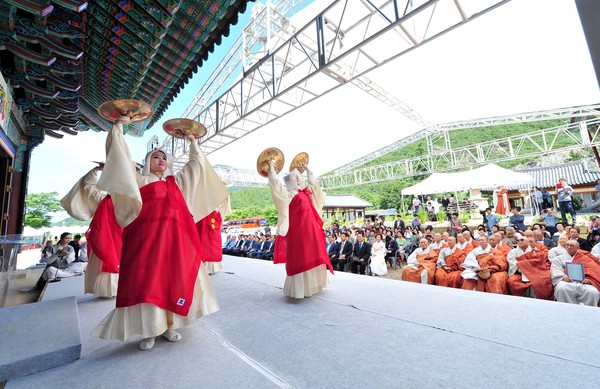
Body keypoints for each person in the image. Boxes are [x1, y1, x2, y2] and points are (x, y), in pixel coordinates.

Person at [91, 117, 228, 351]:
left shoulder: (178, 182)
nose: (161, 159)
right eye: (156, 156)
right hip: (145, 242)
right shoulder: (139, 180)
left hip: (175, 242)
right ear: (147, 162)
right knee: (147, 282)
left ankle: (169, 326)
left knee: (172, 280)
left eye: (164, 157)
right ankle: (149, 330)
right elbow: (120, 160)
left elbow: (197, 166)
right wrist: (119, 128)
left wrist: (193, 141)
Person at [268, 160, 333, 297]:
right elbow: (276, 186)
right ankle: (301, 289)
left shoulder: (305, 193)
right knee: (300, 257)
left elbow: (314, 186)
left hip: (311, 231)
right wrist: (271, 169)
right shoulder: (287, 195)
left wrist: (308, 171)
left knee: (314, 254)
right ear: (290, 181)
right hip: (297, 233)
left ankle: (316, 284)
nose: (299, 180)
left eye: (299, 178)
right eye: (296, 179)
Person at [61, 164, 122, 298]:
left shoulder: (128, 202)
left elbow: (88, 186)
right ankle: (109, 290)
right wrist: (96, 170)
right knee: (106, 259)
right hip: (106, 235)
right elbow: (88, 187)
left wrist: (96, 171)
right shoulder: (104, 200)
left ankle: (114, 289)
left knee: (114, 259)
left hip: (119, 236)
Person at [550, 240, 600, 306]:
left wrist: (589, 280)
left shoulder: (586, 259)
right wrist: (563, 278)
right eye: (567, 245)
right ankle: (565, 309)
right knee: (561, 288)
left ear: (577, 248)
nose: (569, 247)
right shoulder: (558, 259)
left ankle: (588, 312)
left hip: (583, 283)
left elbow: (595, 271)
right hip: (566, 281)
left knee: (593, 292)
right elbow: (555, 270)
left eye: (572, 245)